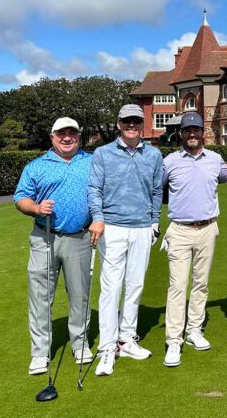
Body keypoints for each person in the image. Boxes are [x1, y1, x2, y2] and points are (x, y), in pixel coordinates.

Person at [88, 104, 163, 377]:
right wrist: (97, 217)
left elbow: (156, 190)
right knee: (111, 287)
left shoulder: (153, 154)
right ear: (118, 124)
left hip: (142, 227)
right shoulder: (103, 153)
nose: (132, 125)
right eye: (127, 121)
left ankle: (126, 339)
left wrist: (155, 221)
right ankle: (107, 346)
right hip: (112, 227)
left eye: (136, 121)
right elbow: (94, 189)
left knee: (135, 285)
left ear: (142, 124)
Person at [14, 117, 93, 375]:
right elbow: (20, 198)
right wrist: (36, 208)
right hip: (44, 237)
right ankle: (39, 352)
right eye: (62, 133)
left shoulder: (91, 162)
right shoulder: (36, 166)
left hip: (79, 238)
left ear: (79, 136)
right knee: (40, 296)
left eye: (72, 133)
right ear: (52, 137)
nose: (67, 137)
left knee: (80, 295)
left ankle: (80, 344)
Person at [161, 113, 227, 367]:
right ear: (180, 134)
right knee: (178, 285)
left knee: (201, 283)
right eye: (187, 130)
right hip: (180, 230)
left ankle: (194, 330)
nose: (192, 134)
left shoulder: (215, 160)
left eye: (196, 130)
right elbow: (158, 190)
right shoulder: (169, 161)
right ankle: (173, 339)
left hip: (207, 228)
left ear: (203, 133)